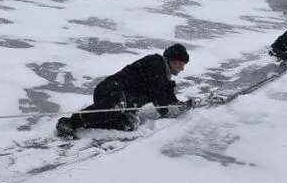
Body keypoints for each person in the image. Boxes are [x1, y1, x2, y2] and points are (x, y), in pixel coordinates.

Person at [56, 44, 194, 137]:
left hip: (123, 102)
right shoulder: (156, 64)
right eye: (181, 64)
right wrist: (176, 108)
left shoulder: (164, 77)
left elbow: (167, 101)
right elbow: (163, 107)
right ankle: (70, 122)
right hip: (110, 90)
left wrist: (184, 106)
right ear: (173, 60)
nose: (182, 68)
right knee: (118, 105)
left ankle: (94, 122)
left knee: (129, 124)